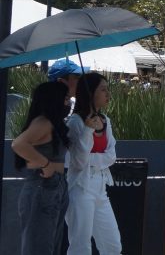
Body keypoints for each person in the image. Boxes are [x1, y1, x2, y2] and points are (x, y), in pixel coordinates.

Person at [10, 81, 70, 255]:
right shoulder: (43, 122)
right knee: (39, 247)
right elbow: (18, 144)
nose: (68, 102)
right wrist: (46, 164)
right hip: (43, 185)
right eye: (65, 98)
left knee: (51, 245)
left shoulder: (54, 123)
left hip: (56, 185)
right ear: (54, 99)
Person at [65, 72, 120, 255]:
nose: (108, 94)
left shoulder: (106, 121)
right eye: (103, 89)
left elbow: (112, 156)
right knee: (81, 246)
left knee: (113, 246)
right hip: (80, 188)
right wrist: (88, 130)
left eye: (107, 89)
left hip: (101, 188)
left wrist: (92, 160)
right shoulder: (75, 122)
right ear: (90, 92)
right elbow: (78, 161)